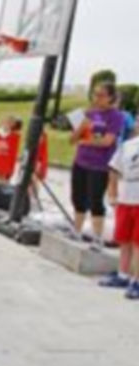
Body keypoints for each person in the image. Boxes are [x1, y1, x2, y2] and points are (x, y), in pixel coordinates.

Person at [69, 82, 124, 250]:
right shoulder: (88, 113)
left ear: (110, 97)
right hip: (81, 161)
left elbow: (108, 141)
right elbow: (72, 140)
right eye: (95, 94)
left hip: (100, 164)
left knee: (95, 200)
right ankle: (76, 230)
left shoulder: (116, 116)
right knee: (78, 197)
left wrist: (86, 140)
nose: (97, 98)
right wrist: (81, 127)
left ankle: (97, 237)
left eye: (101, 95)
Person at [102, 116, 139, 299]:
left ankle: (136, 281)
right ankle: (122, 274)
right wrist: (113, 192)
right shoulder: (127, 145)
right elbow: (114, 169)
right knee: (124, 239)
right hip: (126, 197)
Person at [0, 116, 23, 183]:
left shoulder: (14, 136)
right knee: (0, 178)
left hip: (6, 163)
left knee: (4, 179)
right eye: (6, 123)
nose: (7, 125)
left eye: (9, 123)